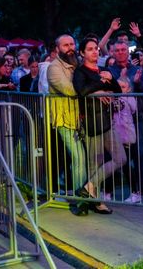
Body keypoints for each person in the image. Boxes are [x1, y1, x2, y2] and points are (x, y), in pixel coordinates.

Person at [73, 37, 124, 215]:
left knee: (120, 158)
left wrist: (111, 79)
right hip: (91, 122)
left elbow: (118, 91)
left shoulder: (104, 70)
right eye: (90, 49)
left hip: (107, 120)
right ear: (82, 53)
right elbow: (82, 91)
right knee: (94, 164)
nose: (95, 51)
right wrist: (100, 86)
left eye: (96, 48)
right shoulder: (80, 71)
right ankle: (97, 202)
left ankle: (88, 187)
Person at [47, 34, 86, 216]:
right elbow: (70, 90)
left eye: (72, 44)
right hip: (64, 119)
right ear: (57, 49)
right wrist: (93, 85)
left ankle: (86, 194)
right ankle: (80, 199)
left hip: (80, 119)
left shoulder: (77, 63)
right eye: (65, 45)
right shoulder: (54, 68)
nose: (70, 48)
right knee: (78, 158)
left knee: (83, 158)